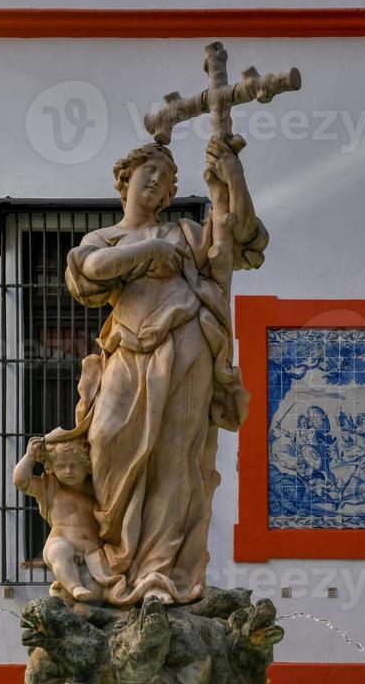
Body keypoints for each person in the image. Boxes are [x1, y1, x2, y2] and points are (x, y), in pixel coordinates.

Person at [62, 137, 267, 605]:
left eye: (166, 178)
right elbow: (88, 271)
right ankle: (117, 561)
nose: (156, 180)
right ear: (125, 178)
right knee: (105, 440)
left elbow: (244, 241)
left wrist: (231, 179)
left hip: (186, 346)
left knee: (176, 455)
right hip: (126, 354)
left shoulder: (186, 235)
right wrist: (144, 252)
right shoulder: (105, 238)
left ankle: (157, 573)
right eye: (147, 171)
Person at [12, 435, 102, 602]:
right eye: (61, 466)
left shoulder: (96, 489)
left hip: (91, 551)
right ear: (52, 467)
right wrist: (30, 457)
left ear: (87, 466)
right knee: (59, 551)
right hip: (60, 541)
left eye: (74, 466)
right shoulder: (49, 488)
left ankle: (66, 592)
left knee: (98, 591)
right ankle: (74, 587)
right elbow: (20, 481)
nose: (68, 471)